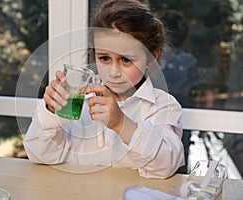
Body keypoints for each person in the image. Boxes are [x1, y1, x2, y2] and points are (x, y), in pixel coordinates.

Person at [23, 0, 184, 179]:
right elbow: (39, 156)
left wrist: (121, 123)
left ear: (151, 57)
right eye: (105, 58)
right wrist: (51, 113)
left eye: (126, 60)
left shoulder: (163, 107)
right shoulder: (77, 100)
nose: (113, 72)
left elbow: (165, 167)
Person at [158, 10, 198, 174]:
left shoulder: (154, 60)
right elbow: (193, 92)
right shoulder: (188, 61)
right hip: (174, 119)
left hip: (177, 118)